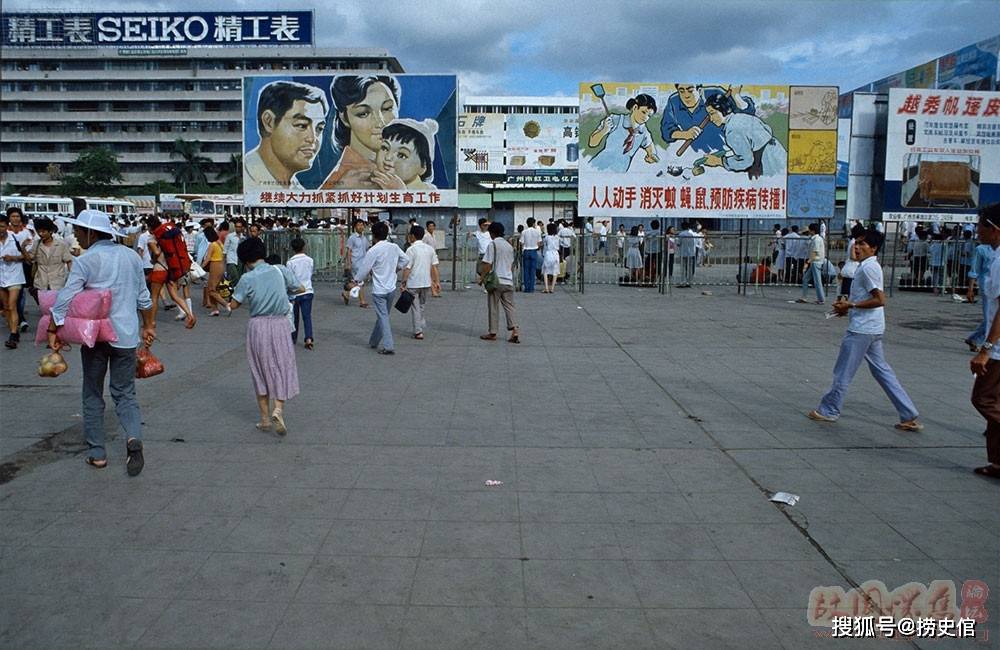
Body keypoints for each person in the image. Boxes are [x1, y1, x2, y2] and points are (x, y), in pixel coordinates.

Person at [48, 210, 155, 474]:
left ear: (91, 233)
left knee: (93, 392)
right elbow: (144, 298)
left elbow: (66, 297)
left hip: (95, 336)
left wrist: (54, 328)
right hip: (126, 336)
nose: (76, 236)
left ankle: (97, 453)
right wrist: (148, 326)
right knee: (125, 393)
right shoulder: (131, 256)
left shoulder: (86, 260)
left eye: (79, 231)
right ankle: (133, 437)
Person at [808, 229, 922, 431]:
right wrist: (847, 307)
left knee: (843, 372)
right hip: (873, 328)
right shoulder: (868, 266)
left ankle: (829, 410)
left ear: (873, 248)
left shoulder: (869, 268)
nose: (857, 247)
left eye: (862, 244)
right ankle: (908, 413)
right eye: (856, 243)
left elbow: (879, 300)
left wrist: (850, 306)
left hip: (862, 330)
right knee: (882, 371)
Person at [229, 238, 303, 435]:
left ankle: (264, 419)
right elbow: (299, 288)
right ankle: (278, 409)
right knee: (282, 365)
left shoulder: (247, 278)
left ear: (245, 259)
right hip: (280, 323)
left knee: (259, 369)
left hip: (258, 325)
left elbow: (234, 305)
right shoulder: (279, 270)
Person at [321, 75, 401, 190]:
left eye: (387, 108)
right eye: (363, 113)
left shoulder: (392, 167)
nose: (380, 122)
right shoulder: (354, 180)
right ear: (344, 118)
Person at [245, 80, 328, 189]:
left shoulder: (297, 191)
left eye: (319, 128)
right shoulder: (248, 182)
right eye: (302, 125)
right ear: (269, 121)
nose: (313, 139)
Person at [969, 204, 1000, 479]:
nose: (977, 231)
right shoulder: (995, 255)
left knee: (983, 399)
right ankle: (998, 462)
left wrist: (987, 349)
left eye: (981, 226)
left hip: (999, 349)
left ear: (994, 228)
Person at [347, 221, 408, 355]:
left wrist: (356, 281)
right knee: (383, 316)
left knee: (383, 317)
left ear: (374, 235)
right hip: (391, 288)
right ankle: (374, 341)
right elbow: (406, 260)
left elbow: (364, 269)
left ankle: (388, 345)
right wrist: (396, 269)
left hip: (379, 290)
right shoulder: (394, 247)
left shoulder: (373, 250)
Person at [703, 93, 786, 179]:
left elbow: (746, 161)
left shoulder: (732, 130)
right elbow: (767, 129)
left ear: (723, 109)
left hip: (768, 162)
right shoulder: (741, 117)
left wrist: (719, 161)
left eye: (712, 113)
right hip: (778, 152)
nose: (711, 119)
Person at [661, 83, 756, 154]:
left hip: (724, 151)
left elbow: (748, 114)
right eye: (681, 91)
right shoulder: (673, 101)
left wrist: (736, 97)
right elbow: (666, 131)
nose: (686, 95)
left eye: (690, 90)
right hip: (693, 154)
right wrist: (684, 134)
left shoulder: (716, 94)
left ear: (699, 90)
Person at [587, 93, 660, 172]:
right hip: (598, 167)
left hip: (620, 172)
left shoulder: (644, 132)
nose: (645, 117)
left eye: (649, 115)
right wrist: (604, 130)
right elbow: (592, 143)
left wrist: (651, 156)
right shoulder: (615, 119)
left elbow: (650, 147)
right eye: (643, 112)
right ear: (635, 107)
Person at [147, 216, 196, 328]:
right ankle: (190, 315)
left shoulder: (153, 239)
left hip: (159, 269)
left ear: (150, 227)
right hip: (170, 269)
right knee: (174, 296)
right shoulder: (168, 236)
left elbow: (157, 253)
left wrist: (155, 254)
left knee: (154, 297)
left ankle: (151, 322)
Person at [478, 221, 520, 344]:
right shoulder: (509, 246)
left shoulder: (493, 245)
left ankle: (493, 332)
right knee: (509, 306)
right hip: (508, 280)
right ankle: (515, 330)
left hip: (496, 281)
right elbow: (512, 264)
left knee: (493, 306)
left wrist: (482, 278)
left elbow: (487, 264)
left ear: (492, 233)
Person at [373, 119, 439, 190]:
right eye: (385, 148)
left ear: (423, 167)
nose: (388, 157)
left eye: (401, 155)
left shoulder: (428, 193)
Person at [400, 225, 440, 340]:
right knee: (421, 305)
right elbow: (434, 267)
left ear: (412, 236)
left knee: (415, 307)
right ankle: (421, 324)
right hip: (426, 282)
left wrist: (403, 282)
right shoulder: (429, 249)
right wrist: (436, 282)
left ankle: (418, 331)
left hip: (413, 282)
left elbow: (407, 268)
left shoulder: (411, 249)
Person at [0, 213, 27, 348]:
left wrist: (13, 258)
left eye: (2, 226)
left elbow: (26, 256)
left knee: (12, 305)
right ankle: (14, 332)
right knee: (5, 307)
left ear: (7, 226)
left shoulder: (15, 239)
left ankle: (13, 334)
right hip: (1, 277)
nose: (0, 229)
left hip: (15, 276)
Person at [7, 207, 34, 332]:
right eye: (13, 216)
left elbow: (30, 251)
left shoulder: (27, 232)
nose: (15, 219)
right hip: (6, 267)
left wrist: (17, 256)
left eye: (17, 216)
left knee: (21, 293)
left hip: (22, 265)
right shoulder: (5, 232)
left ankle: (21, 318)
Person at [965, 238, 995, 350]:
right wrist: (970, 289)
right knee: (989, 318)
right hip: (986, 287)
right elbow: (974, 270)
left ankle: (974, 338)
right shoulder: (980, 249)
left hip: (997, 285)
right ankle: (982, 342)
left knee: (994, 316)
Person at [286, 237, 315, 350]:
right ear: (303, 247)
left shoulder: (290, 262)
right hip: (307, 289)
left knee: (294, 317)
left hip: (295, 292)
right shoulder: (310, 260)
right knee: (307, 316)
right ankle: (308, 338)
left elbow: (290, 279)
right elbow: (310, 273)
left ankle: (293, 338)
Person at [30, 217, 73, 292]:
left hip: (57, 283)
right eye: (38, 232)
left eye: (43, 232)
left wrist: (72, 279)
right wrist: (23, 248)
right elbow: (30, 258)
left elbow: (69, 261)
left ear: (50, 231)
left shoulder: (61, 244)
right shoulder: (36, 244)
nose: (40, 234)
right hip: (41, 283)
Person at [200, 227, 230, 317]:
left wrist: (200, 267)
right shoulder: (219, 243)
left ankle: (225, 304)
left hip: (215, 265)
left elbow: (208, 258)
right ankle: (215, 309)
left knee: (211, 289)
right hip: (221, 265)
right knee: (213, 288)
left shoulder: (212, 245)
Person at [342, 219, 370, 308]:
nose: (361, 227)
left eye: (362, 225)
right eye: (359, 225)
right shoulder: (352, 238)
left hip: (363, 263)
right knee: (359, 282)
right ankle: (362, 301)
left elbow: (367, 250)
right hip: (355, 263)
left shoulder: (364, 238)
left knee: (358, 282)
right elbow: (349, 251)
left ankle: (346, 293)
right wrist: (349, 263)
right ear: (355, 227)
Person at [797, 223, 827, 304]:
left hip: (816, 262)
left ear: (812, 231)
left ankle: (821, 299)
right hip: (814, 261)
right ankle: (804, 297)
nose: (809, 231)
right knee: (805, 279)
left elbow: (815, 253)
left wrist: (807, 262)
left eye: (809, 230)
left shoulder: (816, 240)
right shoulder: (815, 239)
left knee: (817, 281)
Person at [520, 216, 541, 293]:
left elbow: (521, 242)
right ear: (533, 223)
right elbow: (539, 243)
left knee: (526, 270)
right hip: (534, 251)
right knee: (533, 270)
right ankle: (531, 288)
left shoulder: (524, 232)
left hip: (526, 251)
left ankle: (526, 288)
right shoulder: (537, 232)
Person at [676, 222, 699, 287]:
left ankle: (683, 281)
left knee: (683, 268)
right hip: (691, 253)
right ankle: (689, 281)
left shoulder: (681, 234)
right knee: (690, 268)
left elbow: (678, 243)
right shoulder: (692, 234)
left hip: (683, 252)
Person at [541, 222, 561, 293]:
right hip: (555, 253)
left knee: (545, 271)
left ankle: (546, 287)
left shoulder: (547, 237)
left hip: (548, 253)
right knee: (555, 271)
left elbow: (544, 245)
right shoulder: (557, 237)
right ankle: (552, 288)